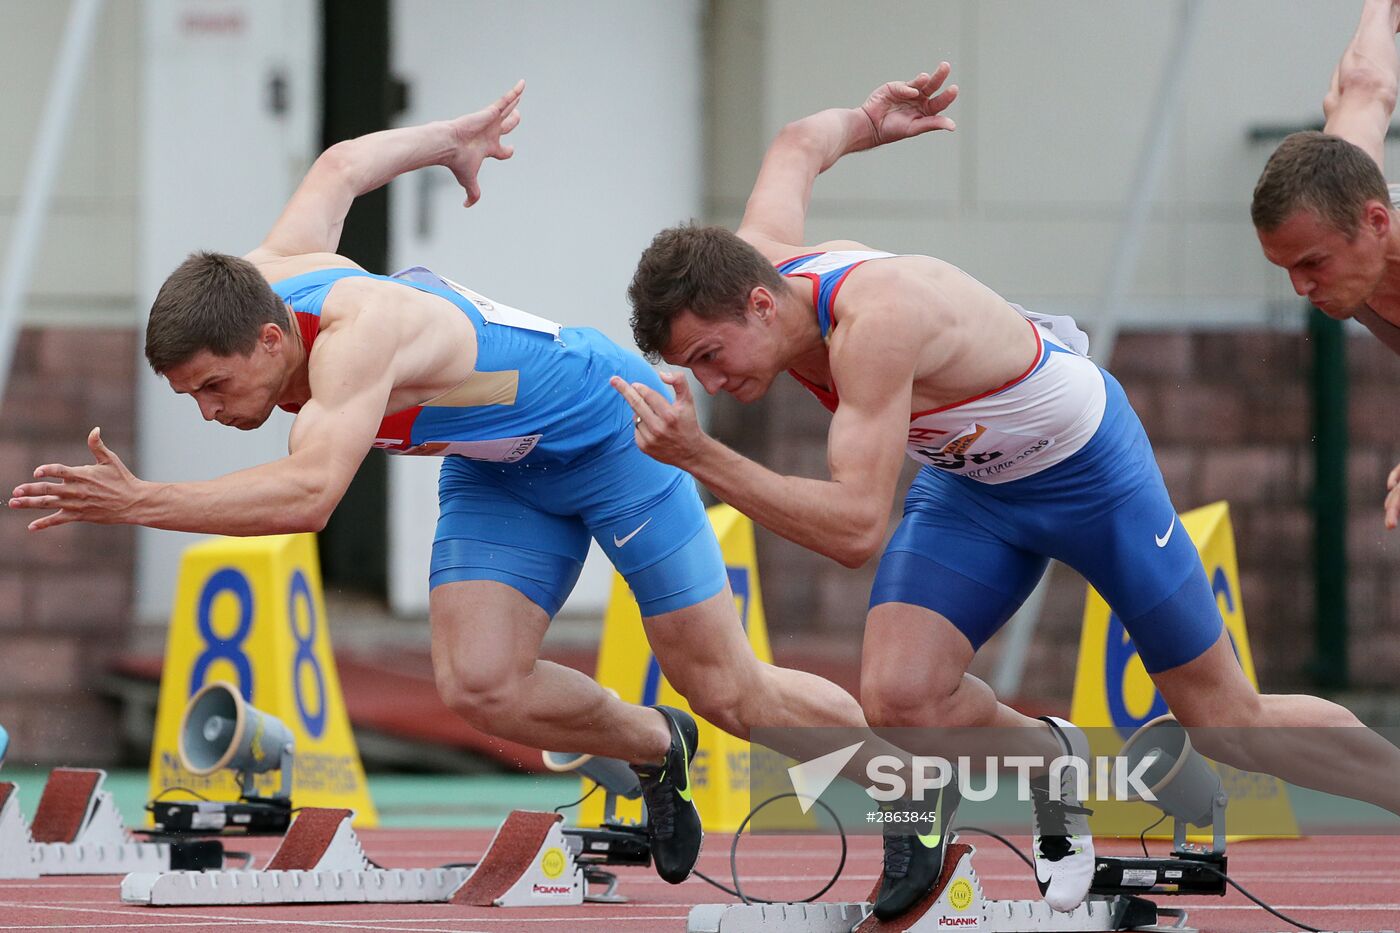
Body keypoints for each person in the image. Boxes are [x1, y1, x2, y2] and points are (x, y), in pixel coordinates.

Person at [6, 82, 872, 887]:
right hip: (503, 468)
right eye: (189, 394)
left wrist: (140, 500)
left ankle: (911, 783)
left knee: (727, 689)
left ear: (273, 339)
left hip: (614, 436)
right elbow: (341, 165)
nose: (207, 412)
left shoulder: (355, 336)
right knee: (480, 685)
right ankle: (654, 745)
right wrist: (448, 140)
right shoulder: (266, 271)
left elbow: (308, 498)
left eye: (213, 388)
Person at [617, 65, 1400, 917]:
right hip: (974, 488)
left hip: (1090, 473)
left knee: (1225, 721)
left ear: (763, 306)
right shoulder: (755, 261)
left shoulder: (874, 324)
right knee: (902, 698)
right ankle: (1052, 759)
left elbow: (853, 530)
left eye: (709, 357)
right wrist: (869, 119)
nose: (711, 381)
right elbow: (797, 145)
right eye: (689, 368)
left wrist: (699, 456)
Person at [1252, 0, 1400, 530]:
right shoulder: (1343, 175)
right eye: (1285, 267)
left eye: (1312, 263)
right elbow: (1366, 84)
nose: (1300, 287)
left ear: (1376, 223)